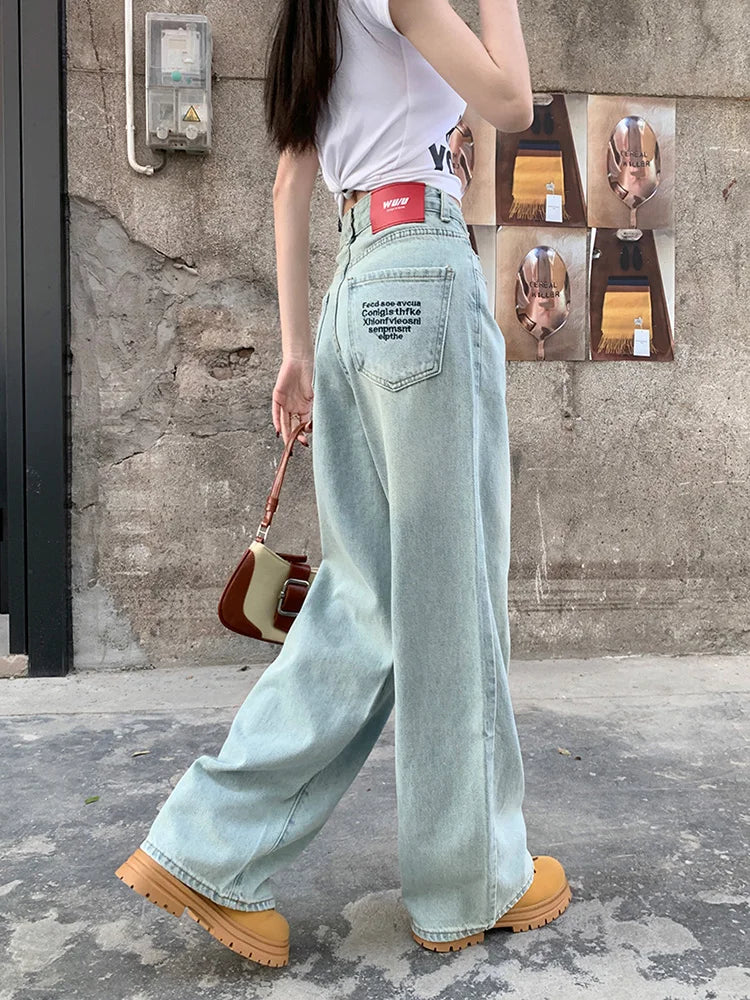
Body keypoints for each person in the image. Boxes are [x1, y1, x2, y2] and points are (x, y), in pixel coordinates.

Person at [115, 0, 572, 968]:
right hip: (422, 273)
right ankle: (470, 883)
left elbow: (292, 181)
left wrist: (296, 351)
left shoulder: (315, 16)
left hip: (352, 295)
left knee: (367, 601)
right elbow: (512, 103)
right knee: (450, 599)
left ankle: (209, 844)